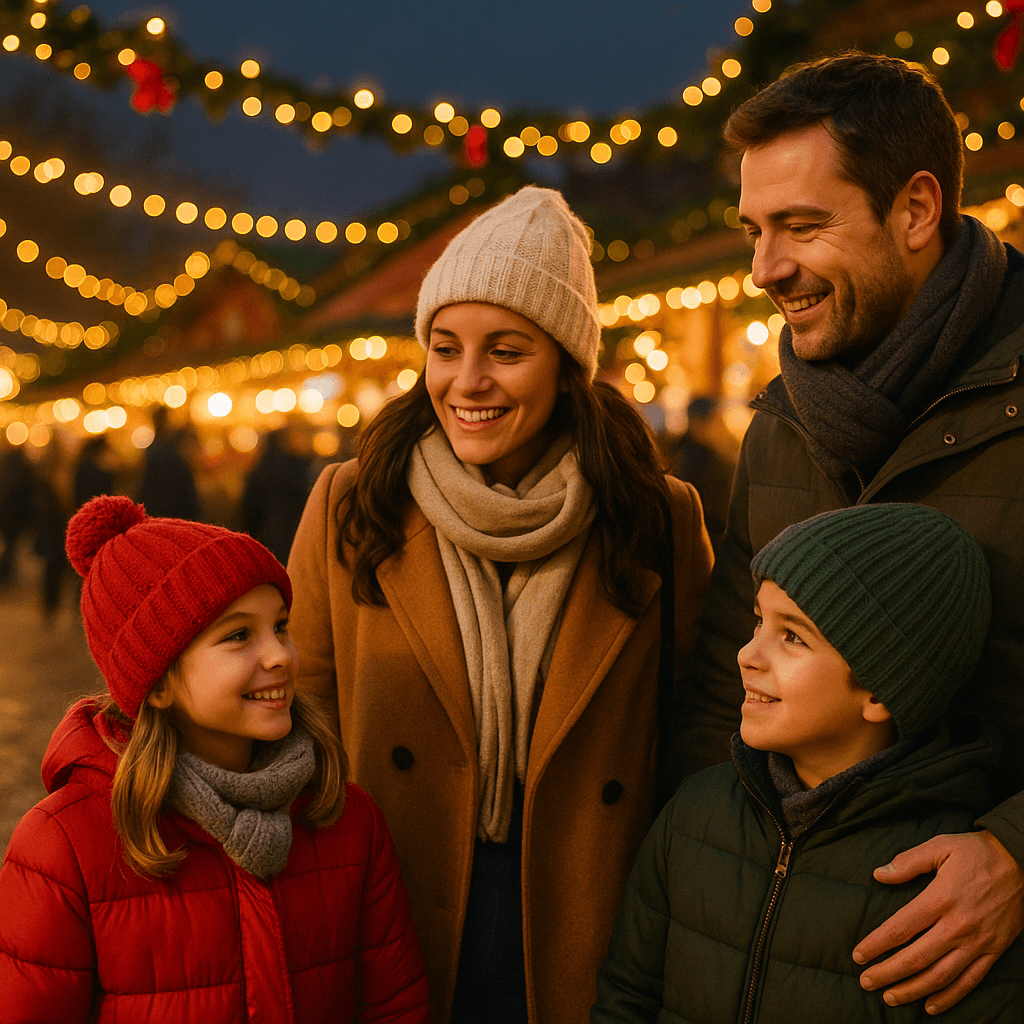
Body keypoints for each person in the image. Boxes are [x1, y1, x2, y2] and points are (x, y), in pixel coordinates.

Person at [287, 185, 714, 1024]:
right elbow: (305, 707)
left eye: (507, 351)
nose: (467, 381)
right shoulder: (355, 502)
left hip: (586, 911)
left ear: (566, 365)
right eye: (445, 348)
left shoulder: (654, 518)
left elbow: (694, 724)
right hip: (391, 906)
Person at [0, 494, 429, 1023]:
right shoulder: (64, 847)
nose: (281, 655)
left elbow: (395, 1006)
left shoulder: (346, 818)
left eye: (281, 626)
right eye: (239, 635)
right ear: (157, 684)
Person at [596, 503, 1024, 1023]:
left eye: (793, 636)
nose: (747, 655)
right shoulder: (694, 814)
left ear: (879, 689)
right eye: (759, 620)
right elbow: (626, 997)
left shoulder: (954, 888)